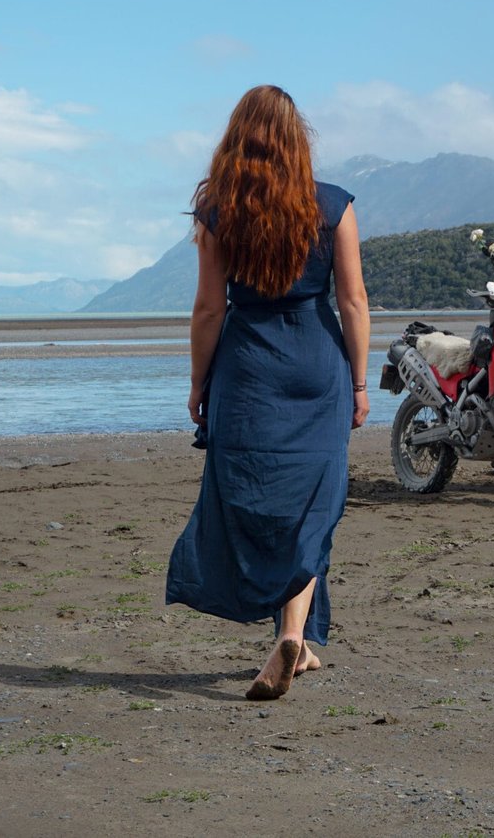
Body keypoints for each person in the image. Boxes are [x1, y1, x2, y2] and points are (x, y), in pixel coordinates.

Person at [164, 85, 370, 701]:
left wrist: (199, 381)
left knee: (257, 498)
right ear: (297, 139)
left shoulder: (218, 213)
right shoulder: (332, 206)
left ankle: (292, 637)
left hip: (248, 369)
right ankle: (294, 636)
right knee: (313, 502)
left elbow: (208, 310)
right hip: (316, 365)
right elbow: (354, 302)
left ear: (237, 140)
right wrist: (360, 383)